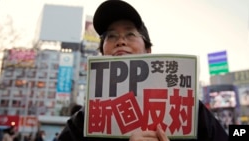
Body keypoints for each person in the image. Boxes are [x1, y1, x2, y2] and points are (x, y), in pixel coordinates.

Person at [58, 0, 228, 141]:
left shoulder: (186, 108)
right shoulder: (85, 120)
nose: (120, 41)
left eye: (130, 34)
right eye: (111, 36)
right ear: (102, 52)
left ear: (148, 50)